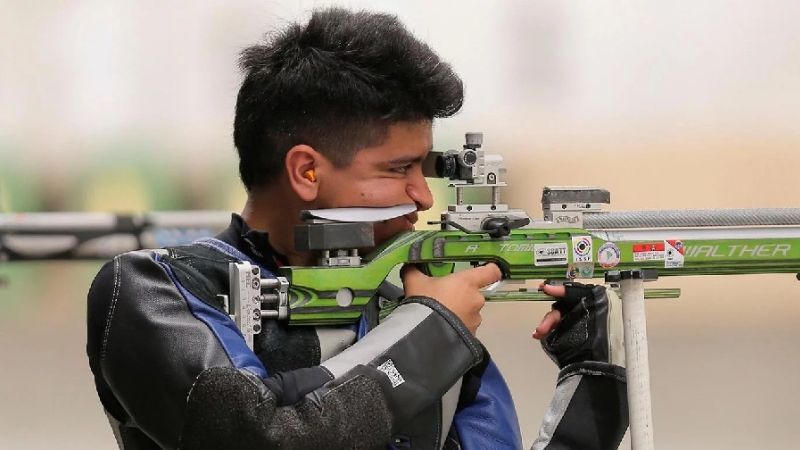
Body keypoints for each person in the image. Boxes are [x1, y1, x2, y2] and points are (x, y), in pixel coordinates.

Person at [86, 8, 627, 450]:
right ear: (306, 171)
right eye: (397, 169)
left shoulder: (414, 311)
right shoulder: (152, 293)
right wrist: (432, 333)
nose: (421, 194)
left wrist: (594, 376)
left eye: (423, 169)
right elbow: (260, 436)